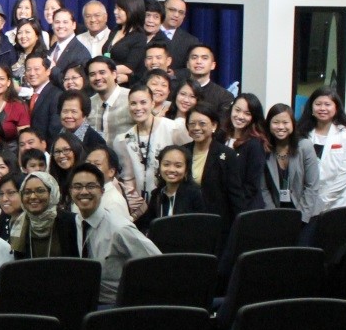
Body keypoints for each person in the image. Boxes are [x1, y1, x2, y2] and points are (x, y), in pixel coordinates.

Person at [63, 163, 160, 305]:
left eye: (90, 186)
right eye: (77, 187)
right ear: (70, 192)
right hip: (82, 301)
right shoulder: (73, 222)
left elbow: (157, 263)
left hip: (113, 305)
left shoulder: (119, 228)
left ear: (102, 191)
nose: (83, 191)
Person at [299, 87, 346, 212]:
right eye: (318, 104)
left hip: (340, 203)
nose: (322, 108)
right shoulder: (301, 134)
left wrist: (323, 200)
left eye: (327, 104)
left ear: (336, 108)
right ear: (311, 108)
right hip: (307, 202)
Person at [264, 102, 322, 220]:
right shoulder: (264, 149)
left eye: (285, 122)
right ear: (269, 125)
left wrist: (300, 218)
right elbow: (263, 189)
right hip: (277, 213)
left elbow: (312, 186)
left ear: (293, 124)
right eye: (275, 122)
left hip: (308, 213)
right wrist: (272, 216)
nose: (281, 127)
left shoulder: (305, 146)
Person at [183, 104, 238, 223]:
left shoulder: (227, 155)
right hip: (187, 219)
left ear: (214, 125)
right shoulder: (182, 152)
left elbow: (235, 195)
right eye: (192, 124)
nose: (196, 128)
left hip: (217, 221)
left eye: (202, 123)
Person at [141, 144, 210, 229]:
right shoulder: (157, 194)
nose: (171, 170)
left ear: (186, 170)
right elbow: (149, 223)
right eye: (166, 164)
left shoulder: (196, 194)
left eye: (178, 166)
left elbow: (202, 227)